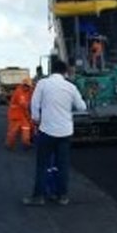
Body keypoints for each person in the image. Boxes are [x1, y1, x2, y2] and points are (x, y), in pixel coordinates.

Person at [23, 58, 87, 206]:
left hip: (47, 131)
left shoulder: (43, 84)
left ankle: (38, 197)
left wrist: (36, 119)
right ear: (65, 72)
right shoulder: (70, 87)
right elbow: (82, 107)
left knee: (42, 165)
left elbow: (34, 103)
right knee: (63, 165)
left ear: (51, 71)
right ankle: (62, 196)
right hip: (65, 132)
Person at [5, 78, 34, 150]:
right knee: (13, 131)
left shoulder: (29, 91)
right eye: (26, 86)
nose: (27, 87)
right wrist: (29, 118)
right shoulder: (19, 92)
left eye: (28, 86)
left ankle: (26, 143)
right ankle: (9, 144)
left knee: (26, 129)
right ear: (23, 85)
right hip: (16, 115)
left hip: (23, 115)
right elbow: (24, 106)